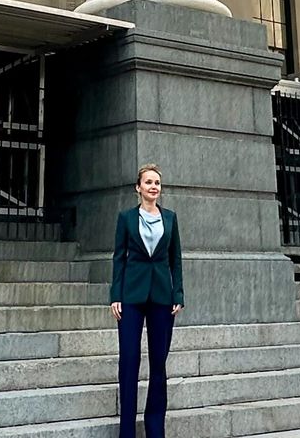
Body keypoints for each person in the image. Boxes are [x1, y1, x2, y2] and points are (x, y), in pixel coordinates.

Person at [110, 162, 182, 438]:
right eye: (149, 182)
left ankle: (155, 430)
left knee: (158, 364)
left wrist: (178, 294)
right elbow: (118, 258)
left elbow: (175, 259)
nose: (154, 187)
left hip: (163, 297)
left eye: (157, 183)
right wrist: (115, 295)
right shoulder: (126, 218)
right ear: (138, 188)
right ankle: (126, 431)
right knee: (129, 359)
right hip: (130, 296)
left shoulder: (171, 218)